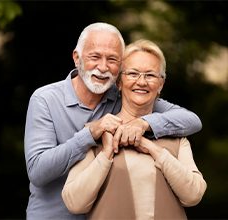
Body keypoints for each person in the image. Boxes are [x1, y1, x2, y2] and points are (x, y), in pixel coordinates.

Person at [24, 23, 202, 220]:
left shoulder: (124, 93)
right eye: (95, 57)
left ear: (119, 71)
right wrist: (89, 135)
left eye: (112, 59)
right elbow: (38, 172)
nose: (102, 67)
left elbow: (191, 120)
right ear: (77, 58)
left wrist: (143, 123)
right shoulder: (45, 99)